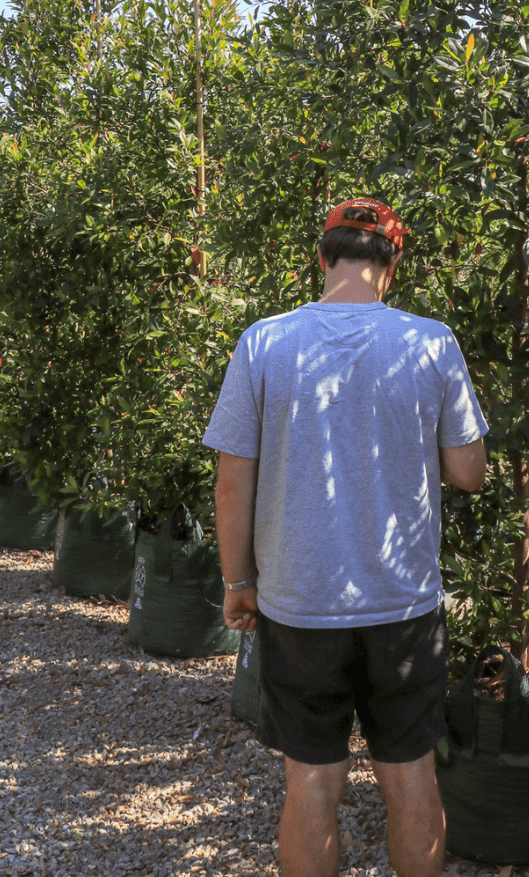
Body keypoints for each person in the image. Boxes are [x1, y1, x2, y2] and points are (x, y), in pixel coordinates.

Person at [203, 198, 488, 877]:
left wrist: (238, 584)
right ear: (391, 266)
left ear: (323, 258)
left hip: (300, 601)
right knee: (409, 771)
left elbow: (231, 484)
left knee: (311, 775)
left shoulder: (264, 342)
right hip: (404, 605)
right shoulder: (430, 342)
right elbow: (469, 473)